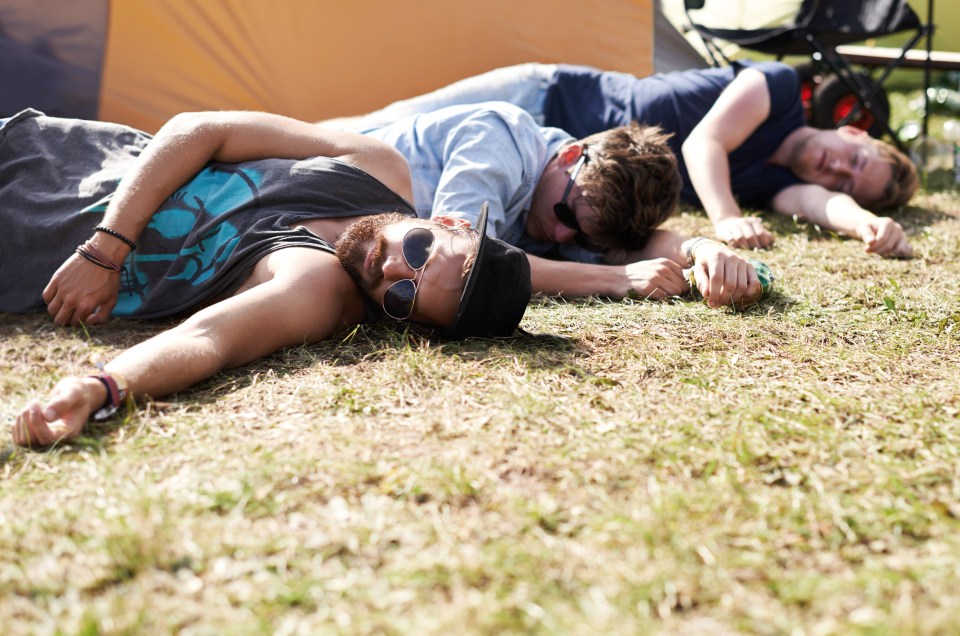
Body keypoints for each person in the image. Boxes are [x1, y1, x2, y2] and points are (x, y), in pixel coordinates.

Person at [3, 109, 531, 447]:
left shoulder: (318, 287)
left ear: (407, 327)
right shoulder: (377, 165)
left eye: (402, 296)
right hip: (34, 147)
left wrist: (99, 389)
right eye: (420, 250)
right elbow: (202, 129)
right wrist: (105, 250)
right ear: (449, 221)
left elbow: (209, 340)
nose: (392, 269)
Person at [330, 61, 919, 257]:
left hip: (584, 175)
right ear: (854, 132)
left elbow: (817, 200)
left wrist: (862, 222)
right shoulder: (782, 88)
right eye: (853, 160)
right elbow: (702, 142)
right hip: (543, 100)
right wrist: (724, 218)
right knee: (371, 129)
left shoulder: (774, 179)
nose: (838, 169)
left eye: (850, 181)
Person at [329, 100, 764, 308]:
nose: (559, 236)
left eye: (576, 236)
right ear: (571, 154)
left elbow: (638, 247)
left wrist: (703, 250)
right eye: (565, 215)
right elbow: (468, 258)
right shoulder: (500, 137)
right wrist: (612, 279)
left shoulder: (572, 200)